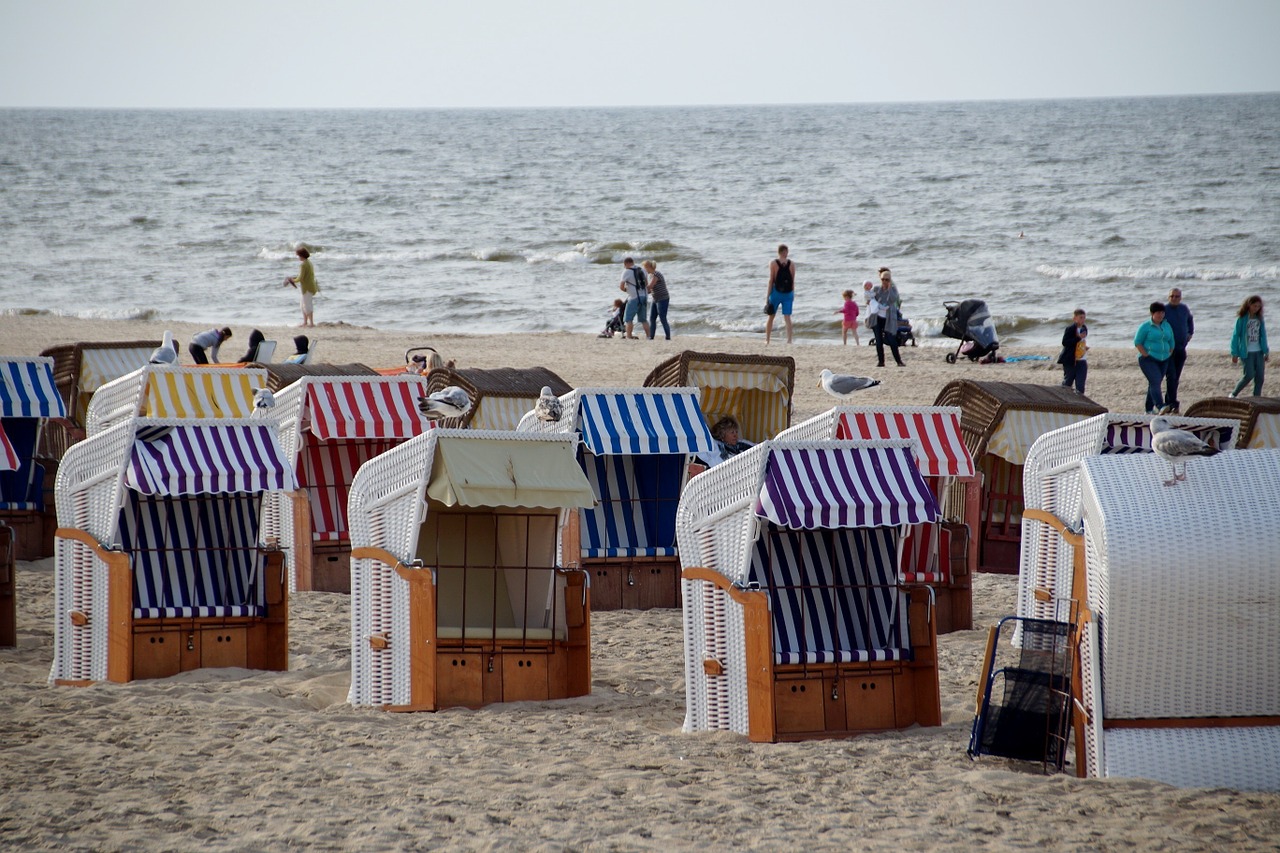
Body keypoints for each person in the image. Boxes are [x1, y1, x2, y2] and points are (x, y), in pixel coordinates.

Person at [1134, 302, 1175, 414]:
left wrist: (1169, 351)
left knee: (1154, 383)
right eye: (1158, 313)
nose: (1160, 315)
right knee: (1155, 381)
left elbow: (1171, 340)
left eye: (1162, 312)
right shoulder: (1146, 326)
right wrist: (1145, 354)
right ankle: (1160, 405)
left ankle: (1148, 409)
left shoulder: (1166, 325)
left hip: (1164, 359)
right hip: (1148, 359)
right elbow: (1137, 342)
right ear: (1152, 313)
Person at [1230, 295, 1269, 398]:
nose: (1256, 308)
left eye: (1258, 306)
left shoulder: (1259, 319)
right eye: (1254, 306)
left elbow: (1263, 335)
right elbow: (1235, 336)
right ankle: (1233, 394)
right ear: (1249, 304)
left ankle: (1256, 398)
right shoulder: (1242, 319)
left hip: (1259, 351)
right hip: (1246, 352)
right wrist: (1234, 353)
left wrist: (1266, 351)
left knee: (1260, 377)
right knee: (1249, 375)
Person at [1162, 288, 1194, 413]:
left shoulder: (1184, 308)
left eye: (1177, 296)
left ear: (1180, 297)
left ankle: (1170, 401)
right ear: (1168, 297)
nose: (1174, 298)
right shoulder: (1164, 310)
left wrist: (1190, 333)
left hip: (1181, 348)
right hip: (1168, 350)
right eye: (1172, 296)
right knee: (1171, 376)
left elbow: (1190, 321)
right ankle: (1172, 402)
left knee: (1176, 378)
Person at [871, 267, 905, 367]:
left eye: (887, 279)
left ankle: (899, 361)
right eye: (883, 279)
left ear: (890, 280)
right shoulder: (876, 289)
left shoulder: (893, 290)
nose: (885, 281)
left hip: (888, 319)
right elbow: (870, 299)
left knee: (891, 339)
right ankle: (881, 362)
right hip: (877, 318)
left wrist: (889, 288)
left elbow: (892, 300)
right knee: (878, 340)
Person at [764, 245, 795, 345]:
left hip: (776, 293)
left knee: (771, 316)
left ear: (778, 252)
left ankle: (767, 340)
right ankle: (789, 340)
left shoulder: (773, 263)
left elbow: (771, 280)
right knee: (787, 317)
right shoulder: (792, 264)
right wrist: (793, 294)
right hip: (788, 293)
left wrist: (767, 296)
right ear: (784, 251)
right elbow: (793, 280)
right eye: (787, 251)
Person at [284, 246, 319, 328]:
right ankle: (305, 322)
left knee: (307, 305)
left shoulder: (303, 265)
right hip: (310, 286)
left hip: (307, 287)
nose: (298, 257)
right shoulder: (309, 263)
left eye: (298, 256)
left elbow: (301, 278)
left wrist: (292, 280)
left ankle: (311, 323)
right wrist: (294, 279)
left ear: (301, 255)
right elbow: (303, 276)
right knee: (303, 305)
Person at [1057, 309, 1089, 394]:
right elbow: (1065, 342)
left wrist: (1084, 347)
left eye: (1084, 318)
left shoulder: (1084, 328)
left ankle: (1080, 405)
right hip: (1071, 361)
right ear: (1075, 318)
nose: (1083, 320)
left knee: (1080, 386)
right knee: (1067, 384)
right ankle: (1064, 401)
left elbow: (1081, 342)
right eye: (1081, 317)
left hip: (1082, 361)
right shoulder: (1070, 329)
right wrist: (1078, 338)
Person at [618, 257, 650, 340]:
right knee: (643, 319)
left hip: (633, 298)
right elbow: (647, 284)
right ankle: (649, 336)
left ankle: (629, 336)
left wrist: (627, 290)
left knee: (628, 319)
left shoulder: (626, 271)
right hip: (644, 297)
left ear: (626, 264)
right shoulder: (643, 270)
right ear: (633, 262)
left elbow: (621, 286)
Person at [643, 260, 671, 340]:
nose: (644, 270)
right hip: (655, 298)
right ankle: (651, 336)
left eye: (645, 268)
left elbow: (650, 286)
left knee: (662, 318)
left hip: (663, 298)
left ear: (648, 267)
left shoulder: (656, 274)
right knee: (652, 318)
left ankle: (668, 337)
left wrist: (643, 284)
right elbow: (649, 290)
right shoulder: (651, 275)